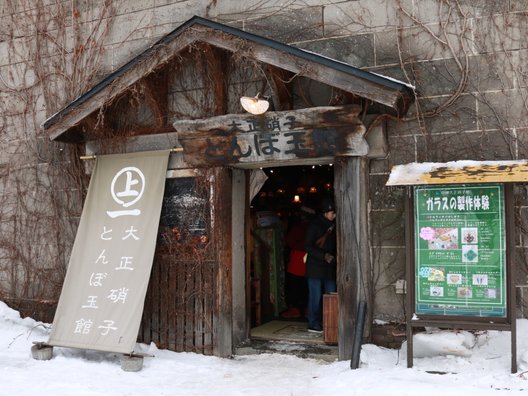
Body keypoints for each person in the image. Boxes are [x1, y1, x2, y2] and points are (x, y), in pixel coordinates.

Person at [304, 197, 337, 333]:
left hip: (329, 267)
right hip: (315, 267)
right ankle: (313, 322)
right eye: (332, 213)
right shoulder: (315, 225)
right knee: (315, 297)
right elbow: (307, 246)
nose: (334, 215)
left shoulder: (334, 226)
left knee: (331, 295)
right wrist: (324, 255)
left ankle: (330, 323)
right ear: (325, 212)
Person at [280, 207, 312, 319]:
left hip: (298, 259)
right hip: (311, 259)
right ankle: (308, 309)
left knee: (295, 286)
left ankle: (295, 310)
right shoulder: (314, 227)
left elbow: (288, 241)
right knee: (307, 286)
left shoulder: (298, 227)